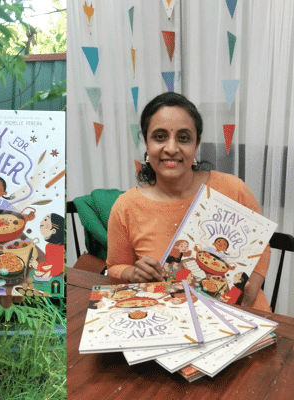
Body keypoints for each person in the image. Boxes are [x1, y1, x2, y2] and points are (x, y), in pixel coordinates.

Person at [106, 92, 272, 311]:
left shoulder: (233, 189)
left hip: (240, 314)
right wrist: (132, 273)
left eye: (183, 138)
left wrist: (249, 295)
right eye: (159, 137)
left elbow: (261, 245)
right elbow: (116, 266)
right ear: (146, 141)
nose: (172, 148)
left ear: (197, 144)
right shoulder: (126, 207)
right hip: (171, 318)